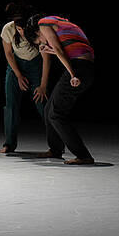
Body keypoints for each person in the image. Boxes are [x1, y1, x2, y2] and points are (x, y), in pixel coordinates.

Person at [23, 14, 96, 165]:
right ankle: (55, 149)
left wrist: (72, 74)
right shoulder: (56, 20)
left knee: (56, 114)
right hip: (84, 66)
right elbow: (65, 48)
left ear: (37, 32)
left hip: (79, 68)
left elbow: (59, 50)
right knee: (49, 108)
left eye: (40, 42)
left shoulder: (43, 24)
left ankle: (83, 155)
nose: (43, 43)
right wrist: (50, 51)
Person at [0, 1, 49, 153]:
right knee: (11, 104)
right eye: (18, 28)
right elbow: (8, 53)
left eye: (23, 27)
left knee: (42, 103)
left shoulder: (36, 29)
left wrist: (43, 85)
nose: (21, 31)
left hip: (35, 64)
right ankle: (9, 143)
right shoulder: (8, 29)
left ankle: (56, 144)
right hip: (16, 65)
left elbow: (47, 59)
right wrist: (18, 75)